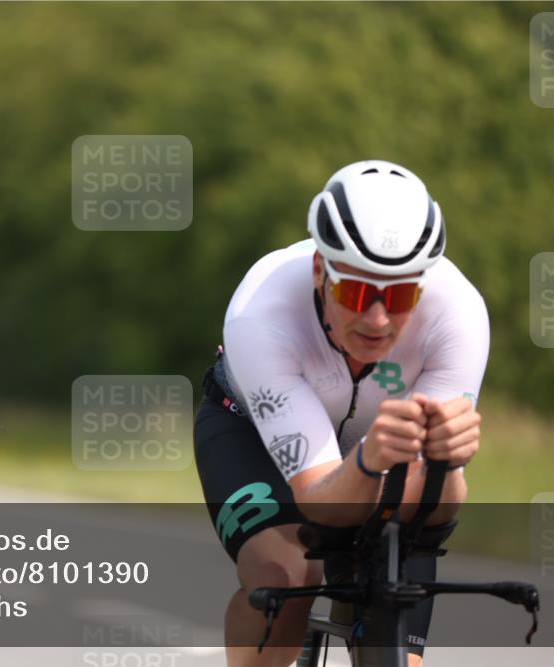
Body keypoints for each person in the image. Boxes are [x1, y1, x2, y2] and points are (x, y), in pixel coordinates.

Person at [194, 160, 488, 667]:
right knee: (283, 584)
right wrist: (369, 460)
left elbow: (435, 512)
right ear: (319, 272)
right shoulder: (261, 312)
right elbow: (320, 501)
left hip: (380, 455)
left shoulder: (457, 314)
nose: (377, 319)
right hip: (251, 435)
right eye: (355, 292)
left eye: (399, 296)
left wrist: (447, 468)